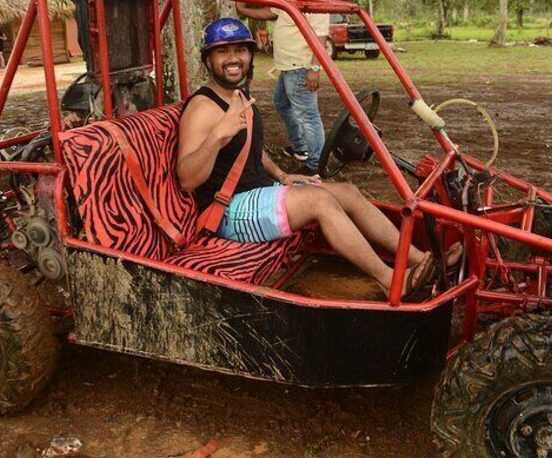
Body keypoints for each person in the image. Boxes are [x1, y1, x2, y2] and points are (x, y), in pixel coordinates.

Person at [177, 18, 439, 301]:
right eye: (223, 52)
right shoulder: (202, 108)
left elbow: (249, 148)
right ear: (208, 59)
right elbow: (187, 178)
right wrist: (217, 136)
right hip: (228, 211)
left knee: (347, 192)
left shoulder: (238, 96)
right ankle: (390, 280)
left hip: (259, 192)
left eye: (240, 50)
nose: (233, 59)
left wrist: (282, 175)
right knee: (319, 201)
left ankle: (418, 259)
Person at [236, 0, 329, 176]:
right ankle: (301, 148)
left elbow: (320, 36)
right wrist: (244, 10)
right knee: (281, 103)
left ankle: (315, 165)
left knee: (308, 116)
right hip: (287, 67)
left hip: (301, 66)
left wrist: (315, 68)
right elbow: (270, 11)